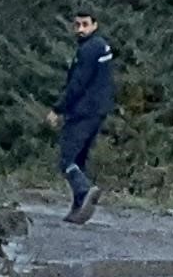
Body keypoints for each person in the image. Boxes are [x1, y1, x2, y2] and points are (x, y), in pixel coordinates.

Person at [45, 11, 117, 224]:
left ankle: (84, 191)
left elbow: (77, 83)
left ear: (95, 25)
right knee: (79, 160)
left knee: (67, 159)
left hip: (83, 111)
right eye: (77, 25)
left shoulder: (88, 50)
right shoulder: (102, 46)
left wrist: (58, 109)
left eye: (85, 24)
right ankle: (78, 210)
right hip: (99, 110)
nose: (80, 29)